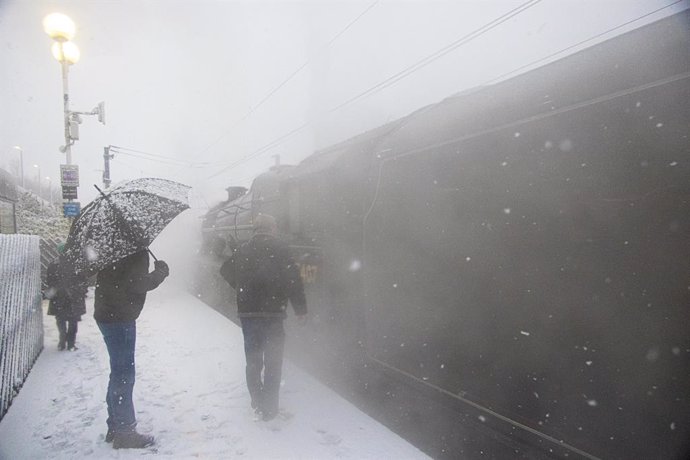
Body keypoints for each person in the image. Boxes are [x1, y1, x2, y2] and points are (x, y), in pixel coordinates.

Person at [220, 214, 307, 421]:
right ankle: (270, 407)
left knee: (253, 360)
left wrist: (241, 287)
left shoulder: (243, 249)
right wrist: (300, 309)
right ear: (272, 228)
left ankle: (257, 401)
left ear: (255, 229)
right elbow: (293, 280)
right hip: (274, 314)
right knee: (274, 362)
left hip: (249, 315)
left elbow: (225, 270)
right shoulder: (281, 249)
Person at [94, 250, 169, 449]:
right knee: (124, 374)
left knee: (117, 372)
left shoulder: (111, 249)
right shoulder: (133, 252)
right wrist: (160, 273)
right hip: (120, 317)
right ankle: (125, 432)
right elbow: (138, 284)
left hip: (106, 313)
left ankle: (115, 425)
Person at [45, 243, 87, 351]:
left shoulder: (53, 264)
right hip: (73, 296)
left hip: (58, 297)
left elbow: (49, 280)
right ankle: (71, 343)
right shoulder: (76, 264)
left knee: (60, 319)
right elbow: (82, 279)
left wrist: (56, 289)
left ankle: (62, 341)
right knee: (73, 320)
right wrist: (80, 290)